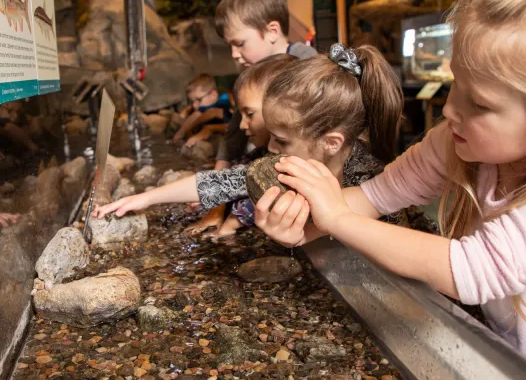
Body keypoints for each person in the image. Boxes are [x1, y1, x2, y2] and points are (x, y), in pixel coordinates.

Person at [259, 0, 526, 380]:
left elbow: (477, 270)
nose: (450, 110)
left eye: (478, 102)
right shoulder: (457, 142)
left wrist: (337, 218)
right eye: (454, 85)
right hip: (517, 379)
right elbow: (375, 196)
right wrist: (302, 224)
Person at [95, 46, 437, 239]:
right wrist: (143, 199)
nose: (271, 149)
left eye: (282, 140)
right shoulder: (286, 165)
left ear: (331, 143)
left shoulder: (371, 181)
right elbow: (218, 183)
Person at [193, 0, 318, 233]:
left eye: (239, 44)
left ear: (272, 31)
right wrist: (215, 202)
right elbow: (232, 138)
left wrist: (226, 209)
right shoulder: (253, 75)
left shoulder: (307, 67)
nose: (234, 55)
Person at [171, 74, 233, 147]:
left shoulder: (224, 99)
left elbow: (209, 112)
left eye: (199, 100)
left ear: (213, 95)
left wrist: (178, 136)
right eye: (191, 102)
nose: (194, 105)